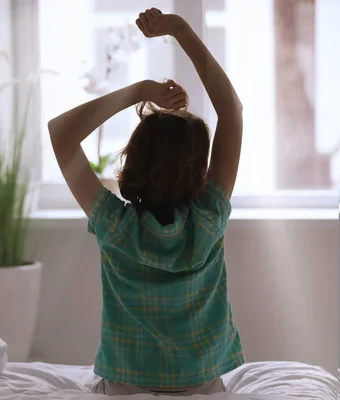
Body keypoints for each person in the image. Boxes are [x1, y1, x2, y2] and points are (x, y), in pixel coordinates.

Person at [47, 7, 245, 396]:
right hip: (201, 386)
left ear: (135, 160)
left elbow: (60, 133)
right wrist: (180, 30)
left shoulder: (114, 225)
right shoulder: (209, 218)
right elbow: (232, 112)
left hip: (124, 387)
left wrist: (139, 91)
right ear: (197, 170)